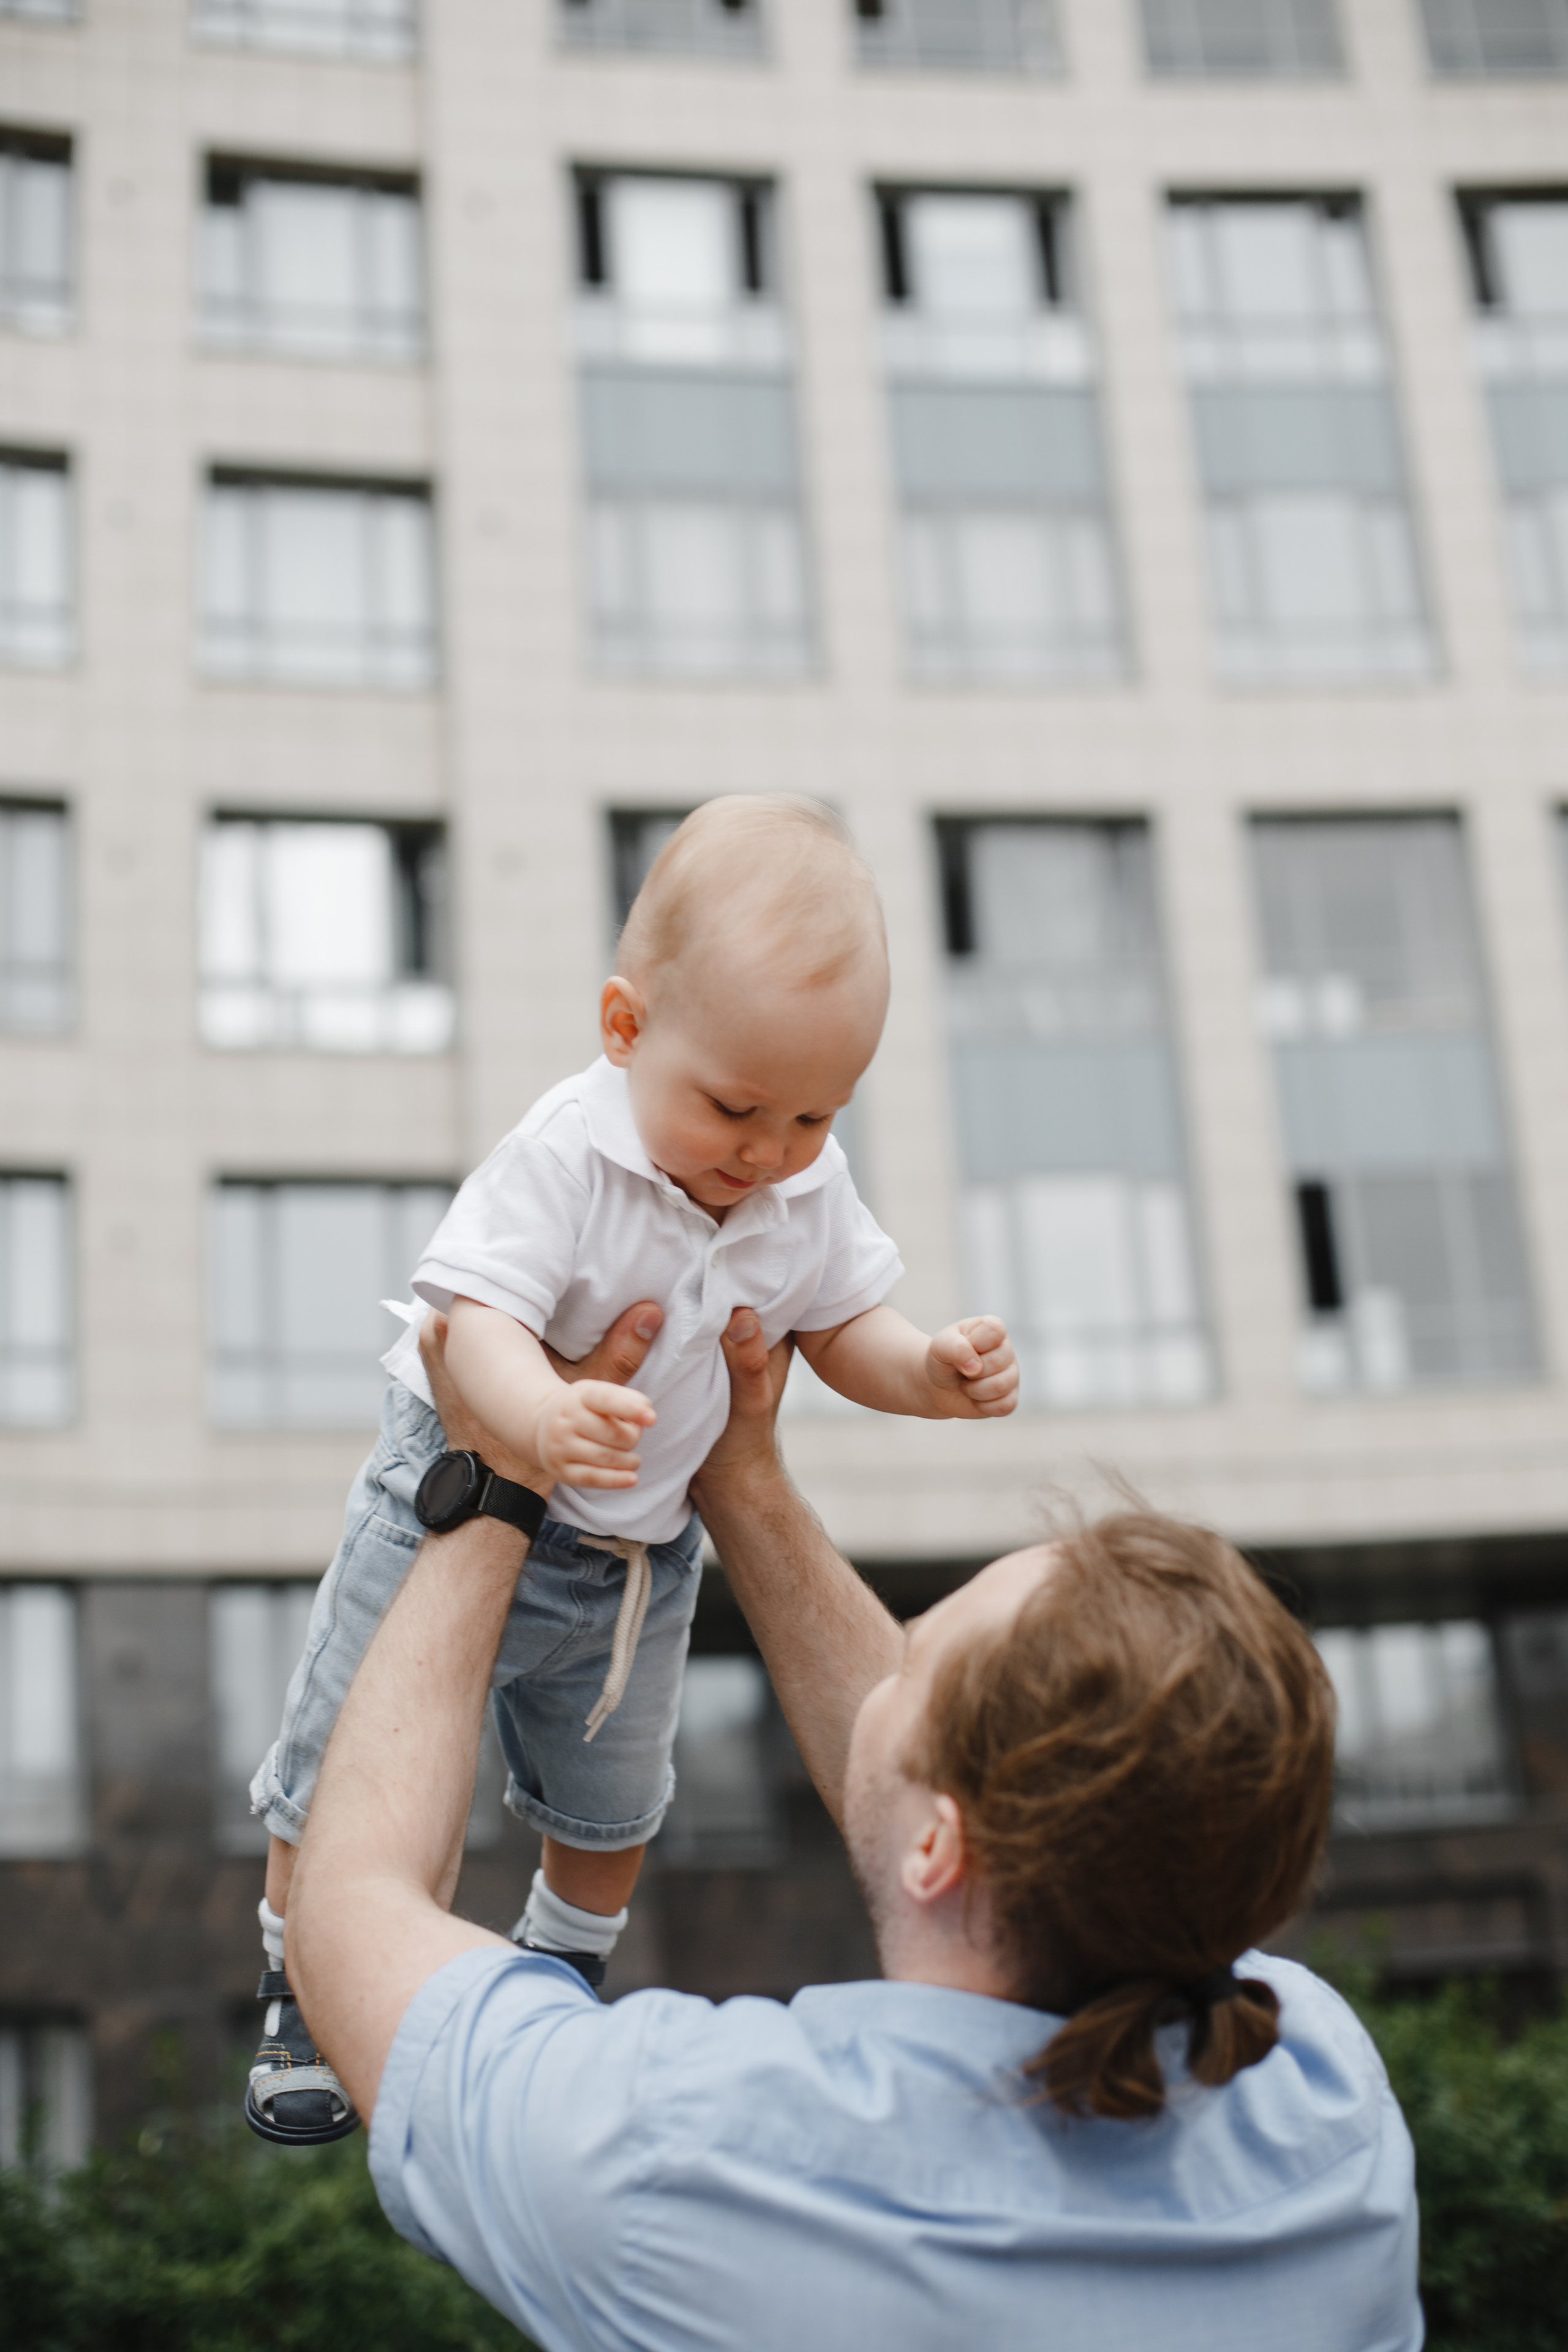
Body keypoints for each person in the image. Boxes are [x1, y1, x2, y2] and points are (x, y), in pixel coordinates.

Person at [282, 1305, 1422, 2352]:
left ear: (944, 1847)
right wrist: (745, 1480)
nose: (887, 1668)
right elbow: (963, 1789)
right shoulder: (1320, 2099)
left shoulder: (681, 2154)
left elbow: (350, 1916)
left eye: (913, 1658)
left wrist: (496, 1482)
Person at [244, 796, 1019, 2143]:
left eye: (812, 1117)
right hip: (460, 1495)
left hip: (638, 1560)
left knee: (613, 1806)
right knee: (342, 1768)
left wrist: (925, 1377)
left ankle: (561, 1964)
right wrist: (537, 1415)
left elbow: (839, 1324)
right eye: (734, 1108)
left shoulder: (799, 1189)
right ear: (624, 1030)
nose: (767, 1153)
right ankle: (297, 1988)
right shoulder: (566, 1151)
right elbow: (467, 1321)